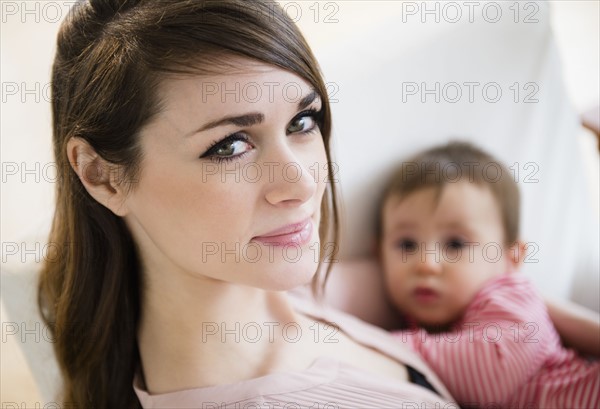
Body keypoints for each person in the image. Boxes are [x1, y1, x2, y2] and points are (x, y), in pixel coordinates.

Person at [38, 1, 458, 407]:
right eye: (230, 146)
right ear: (102, 175)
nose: (303, 183)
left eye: (302, 121)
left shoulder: (269, 281)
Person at [378, 141, 600, 408]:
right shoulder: (426, 323)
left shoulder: (512, 295)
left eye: (456, 245)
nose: (426, 263)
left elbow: (494, 369)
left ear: (512, 257)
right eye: (407, 245)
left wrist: (378, 344)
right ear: (377, 251)